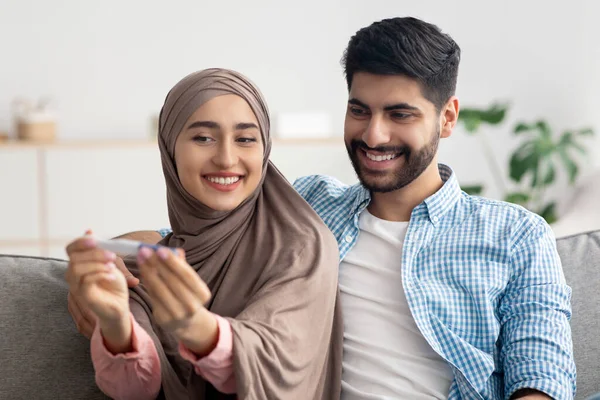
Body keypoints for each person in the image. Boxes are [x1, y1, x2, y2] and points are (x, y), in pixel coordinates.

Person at [69, 17, 576, 400]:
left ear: (447, 118)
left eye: (400, 114)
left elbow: (541, 376)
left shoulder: (515, 234)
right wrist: (102, 258)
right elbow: (201, 235)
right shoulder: (307, 206)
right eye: (360, 110)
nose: (374, 134)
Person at [65, 68, 343, 399]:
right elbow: (136, 389)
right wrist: (114, 325)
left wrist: (196, 327)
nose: (226, 158)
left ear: (265, 148)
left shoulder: (301, 246)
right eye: (203, 138)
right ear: (170, 150)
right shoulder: (144, 274)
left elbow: (279, 368)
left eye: (245, 139)